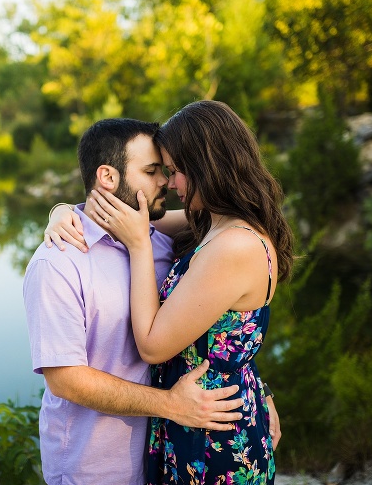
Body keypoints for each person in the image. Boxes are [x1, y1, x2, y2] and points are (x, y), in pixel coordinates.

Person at [23, 117, 250, 485]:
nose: (165, 181)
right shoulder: (59, 263)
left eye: (165, 170)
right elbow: (65, 380)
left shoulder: (157, 237)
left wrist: (257, 388)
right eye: (151, 170)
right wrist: (170, 405)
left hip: (166, 455)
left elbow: (222, 311)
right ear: (108, 178)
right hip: (94, 467)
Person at [79, 100, 293, 484]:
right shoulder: (213, 224)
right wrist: (62, 212)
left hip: (213, 435)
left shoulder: (235, 247)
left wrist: (140, 248)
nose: (170, 183)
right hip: (194, 415)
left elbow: (152, 345)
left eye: (176, 171)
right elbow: (132, 217)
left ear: (208, 166)